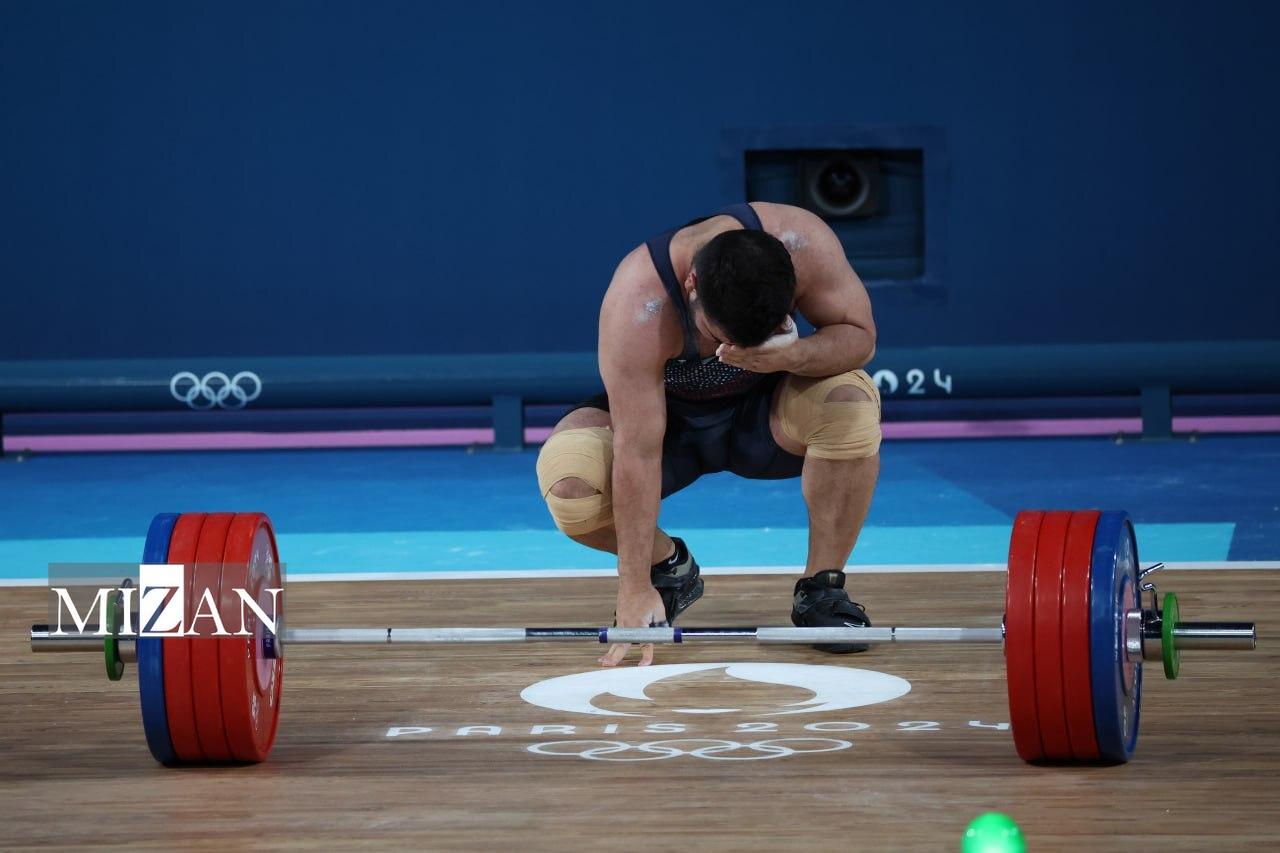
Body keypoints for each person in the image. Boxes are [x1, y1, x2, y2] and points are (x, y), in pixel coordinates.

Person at [536, 202, 881, 667]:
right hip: (670, 428)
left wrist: (791, 355)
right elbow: (638, 451)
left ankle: (822, 588)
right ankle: (668, 567)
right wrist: (634, 584)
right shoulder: (637, 303)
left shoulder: (804, 242)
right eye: (720, 335)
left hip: (765, 417)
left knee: (850, 403)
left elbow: (860, 336)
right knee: (571, 483)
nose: (732, 350)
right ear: (692, 284)